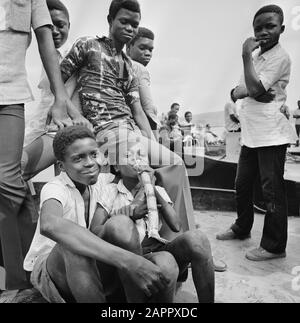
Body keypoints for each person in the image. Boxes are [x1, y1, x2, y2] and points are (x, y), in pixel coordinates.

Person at [60, 0, 196, 238]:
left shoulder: (129, 66)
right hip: (105, 129)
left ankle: (180, 237)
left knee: (175, 163)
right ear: (110, 20)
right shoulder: (87, 46)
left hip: (129, 131)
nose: (130, 28)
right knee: (146, 170)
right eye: (124, 21)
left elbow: (138, 110)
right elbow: (58, 83)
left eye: (135, 24)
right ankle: (175, 238)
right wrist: (76, 116)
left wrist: (154, 141)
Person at [23, 126, 179, 303]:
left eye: (93, 154)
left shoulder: (104, 182)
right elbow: (49, 224)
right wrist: (129, 260)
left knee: (158, 255)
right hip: (52, 269)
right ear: (62, 166)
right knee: (73, 245)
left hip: (91, 262)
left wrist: (146, 177)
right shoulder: (55, 188)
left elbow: (141, 173)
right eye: (78, 158)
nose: (90, 163)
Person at [0, 0, 88, 292]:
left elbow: (60, 106)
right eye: (53, 26)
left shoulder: (70, 62)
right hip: (36, 130)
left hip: (44, 124)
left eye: (61, 25)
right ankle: (23, 266)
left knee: (11, 179)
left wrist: (64, 106)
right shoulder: (43, 64)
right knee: (17, 187)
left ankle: (20, 277)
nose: (56, 31)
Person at [217, 5, 298, 261]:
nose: (263, 32)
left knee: (271, 189)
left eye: (270, 26)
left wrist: (244, 57)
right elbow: (241, 90)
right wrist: (245, 90)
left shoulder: (279, 57)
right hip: (251, 132)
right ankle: (242, 228)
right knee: (242, 184)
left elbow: (250, 87)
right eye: (258, 27)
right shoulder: (257, 59)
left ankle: (275, 246)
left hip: (271, 133)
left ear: (281, 29)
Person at [97, 139, 215, 303]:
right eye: (128, 155)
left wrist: (152, 188)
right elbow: (96, 229)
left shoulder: (157, 190)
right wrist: (128, 214)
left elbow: (176, 225)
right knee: (166, 263)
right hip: (125, 259)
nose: (136, 159)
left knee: (198, 239)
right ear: (116, 167)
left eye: (141, 155)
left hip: (155, 248)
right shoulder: (110, 190)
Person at [22, 0, 81, 182]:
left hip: (60, 126)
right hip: (40, 124)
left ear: (69, 25)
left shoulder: (76, 53)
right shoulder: (48, 53)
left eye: (60, 25)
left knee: (17, 169)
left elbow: (70, 96)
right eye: (49, 26)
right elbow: (45, 100)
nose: (55, 31)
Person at [127, 27, 159, 133]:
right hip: (135, 130)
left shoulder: (118, 63)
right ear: (128, 48)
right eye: (142, 48)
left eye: (150, 50)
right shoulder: (139, 68)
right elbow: (148, 110)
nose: (148, 53)